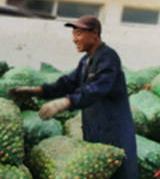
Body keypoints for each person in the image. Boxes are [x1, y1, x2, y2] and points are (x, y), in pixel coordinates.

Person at [9, 15, 138, 179]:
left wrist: (65, 103)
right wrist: (38, 91)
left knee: (121, 174)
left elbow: (96, 89)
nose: (74, 39)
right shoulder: (86, 61)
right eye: (73, 34)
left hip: (114, 131)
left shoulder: (108, 57)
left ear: (94, 34)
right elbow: (67, 83)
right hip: (95, 130)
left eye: (79, 34)